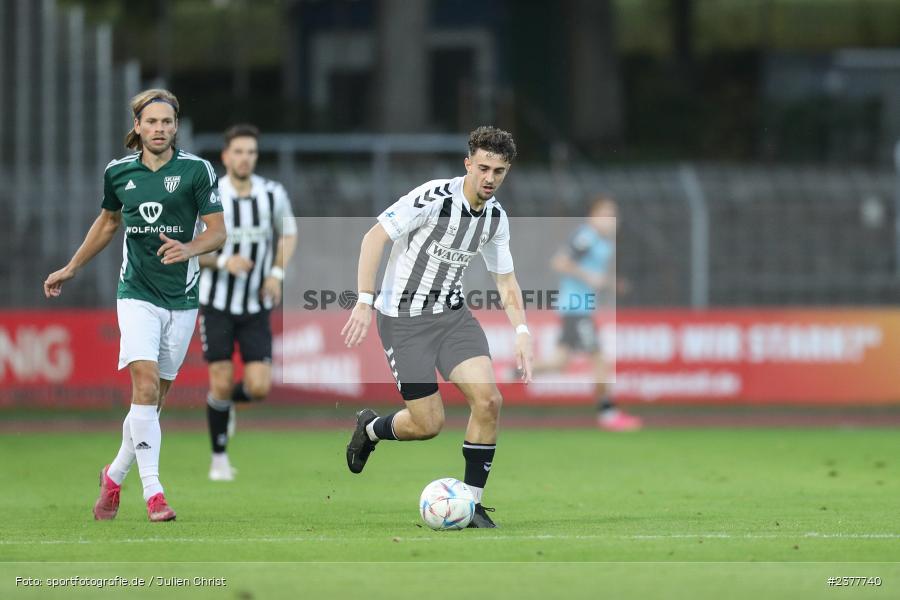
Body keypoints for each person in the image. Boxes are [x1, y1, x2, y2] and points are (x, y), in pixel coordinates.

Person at [43, 88, 226, 522]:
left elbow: (218, 232)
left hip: (182, 298)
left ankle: (113, 476)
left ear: (175, 127)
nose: (159, 129)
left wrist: (188, 248)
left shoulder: (197, 170)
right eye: (152, 122)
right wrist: (71, 267)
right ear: (138, 127)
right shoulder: (118, 173)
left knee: (152, 403)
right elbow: (108, 223)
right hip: (136, 293)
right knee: (143, 389)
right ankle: (154, 494)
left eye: (167, 122)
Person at [341, 126, 532, 528]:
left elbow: (505, 279)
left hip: (452, 317)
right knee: (428, 424)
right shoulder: (433, 198)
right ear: (468, 164)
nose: (489, 178)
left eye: (498, 171)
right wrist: (363, 300)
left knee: (489, 401)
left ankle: (473, 505)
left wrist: (522, 331)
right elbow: (373, 238)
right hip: (403, 321)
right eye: (483, 168)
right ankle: (371, 428)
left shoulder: (496, 218)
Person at [197, 124, 297, 481]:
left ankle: (225, 406)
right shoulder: (210, 195)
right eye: (238, 152)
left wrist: (276, 274)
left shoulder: (272, 194)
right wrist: (224, 261)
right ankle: (219, 459)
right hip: (216, 303)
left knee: (258, 387)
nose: (245, 158)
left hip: (256, 304)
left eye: (251, 152)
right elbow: (191, 249)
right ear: (226, 156)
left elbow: (288, 234)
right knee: (221, 379)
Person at [531, 196, 642, 431]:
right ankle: (607, 413)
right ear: (592, 216)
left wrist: (610, 284)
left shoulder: (604, 242)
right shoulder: (586, 237)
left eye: (613, 214)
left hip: (580, 307)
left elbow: (594, 276)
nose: (611, 219)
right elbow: (560, 262)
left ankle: (506, 372)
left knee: (558, 364)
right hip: (575, 307)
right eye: (606, 214)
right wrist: (588, 276)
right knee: (600, 358)